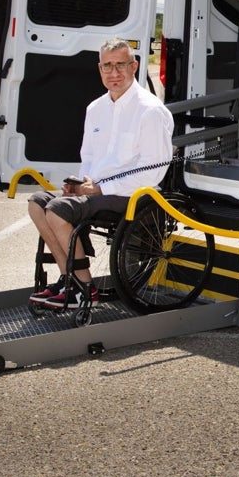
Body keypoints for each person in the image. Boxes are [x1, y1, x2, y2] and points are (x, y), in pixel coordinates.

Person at [27, 37, 174, 309]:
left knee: (58, 210)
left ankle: (84, 289)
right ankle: (68, 278)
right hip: (97, 190)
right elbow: (90, 157)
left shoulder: (150, 110)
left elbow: (155, 170)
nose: (114, 73)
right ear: (100, 69)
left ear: (134, 66)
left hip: (133, 194)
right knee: (37, 202)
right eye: (108, 66)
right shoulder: (95, 108)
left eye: (121, 65)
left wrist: (99, 189)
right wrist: (80, 183)